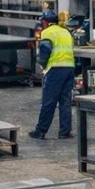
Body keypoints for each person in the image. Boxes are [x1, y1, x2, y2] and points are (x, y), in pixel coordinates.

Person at [30, 8, 75, 140]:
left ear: (45, 22)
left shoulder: (47, 32)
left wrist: (43, 67)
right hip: (69, 68)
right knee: (65, 101)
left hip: (55, 69)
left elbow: (44, 53)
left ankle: (40, 131)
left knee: (49, 101)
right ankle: (65, 132)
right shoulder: (66, 32)